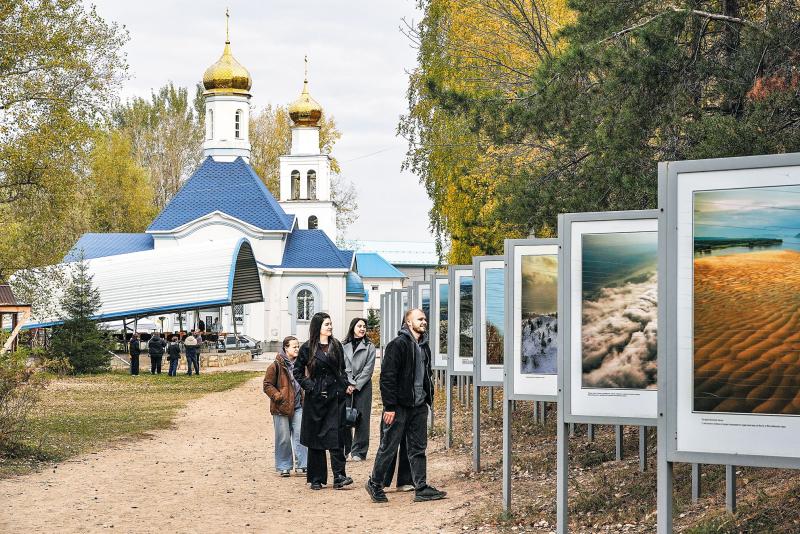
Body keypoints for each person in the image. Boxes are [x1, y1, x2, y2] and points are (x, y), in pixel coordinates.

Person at [365, 308, 446, 503]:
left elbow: (427, 374)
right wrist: (390, 406)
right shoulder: (397, 345)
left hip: (418, 406)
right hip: (399, 406)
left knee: (418, 448)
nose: (424, 322)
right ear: (408, 322)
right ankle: (375, 483)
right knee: (389, 446)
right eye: (420, 319)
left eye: (425, 319)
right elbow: (387, 378)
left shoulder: (424, 346)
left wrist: (428, 397)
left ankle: (421, 487)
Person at [292, 312, 354, 491]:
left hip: (335, 398)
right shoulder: (308, 348)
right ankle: (316, 478)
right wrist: (310, 386)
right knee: (317, 439)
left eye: (331, 324)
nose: (330, 326)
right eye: (327, 324)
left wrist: (345, 385)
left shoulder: (336, 345)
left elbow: (342, 369)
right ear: (318, 326)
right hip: (316, 399)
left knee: (337, 437)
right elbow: (297, 371)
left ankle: (339, 476)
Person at [264, 336, 308, 477]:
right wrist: (278, 397)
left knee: (300, 435)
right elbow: (267, 385)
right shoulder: (276, 365)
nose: (297, 349)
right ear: (286, 348)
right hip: (281, 407)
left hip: (298, 406)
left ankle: (303, 465)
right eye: (294, 346)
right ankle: (284, 466)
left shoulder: (302, 365)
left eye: (298, 346)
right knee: (283, 438)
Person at [342, 317, 376, 461]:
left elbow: (369, 369)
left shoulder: (370, 346)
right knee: (344, 417)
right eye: (359, 326)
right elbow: (341, 366)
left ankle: (359, 451)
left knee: (362, 418)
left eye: (364, 326)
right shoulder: (343, 345)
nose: (362, 329)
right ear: (352, 328)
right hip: (346, 386)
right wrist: (348, 383)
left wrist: (356, 384)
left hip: (363, 386)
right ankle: (346, 449)